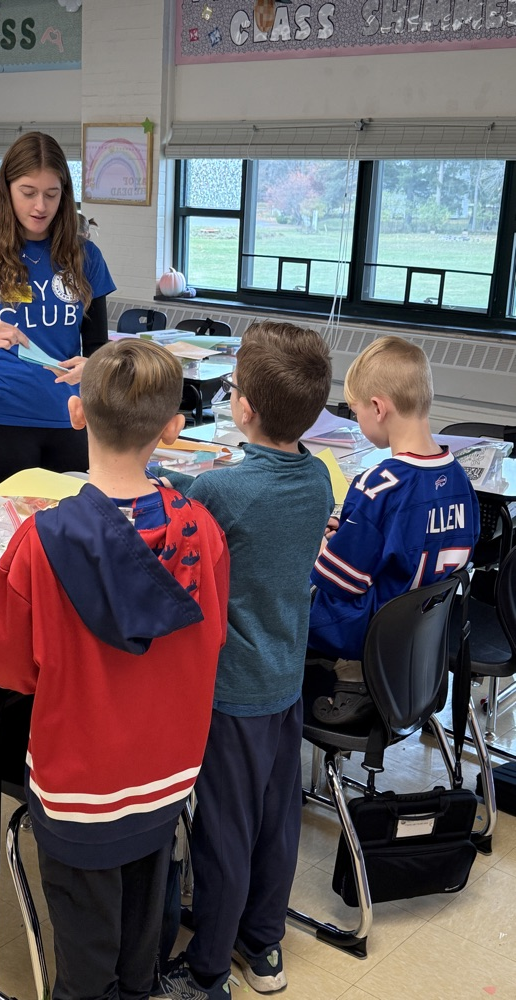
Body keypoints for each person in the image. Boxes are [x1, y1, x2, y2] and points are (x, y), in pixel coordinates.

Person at [0, 338, 230, 1000]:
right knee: (144, 936)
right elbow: (209, 642)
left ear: (75, 414)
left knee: (84, 961)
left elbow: (9, 669)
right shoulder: (203, 531)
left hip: (79, 786)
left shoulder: (38, 541)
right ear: (174, 430)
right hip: (167, 773)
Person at [155, 321, 334, 998]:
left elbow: (196, 521)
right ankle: (263, 948)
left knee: (223, 832)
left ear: (242, 407)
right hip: (285, 679)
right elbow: (241, 500)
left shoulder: (221, 494)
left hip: (231, 692)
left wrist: (159, 475)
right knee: (274, 820)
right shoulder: (317, 480)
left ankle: (206, 971)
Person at [0, 130, 116, 487]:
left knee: (69, 535)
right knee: (10, 533)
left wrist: (94, 367)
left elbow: (98, 350)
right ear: (7, 190)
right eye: (28, 193)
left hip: (72, 421)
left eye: (51, 194)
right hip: (2, 424)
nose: (40, 206)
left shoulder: (86, 258)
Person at [308, 335, 480, 724]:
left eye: (356, 414)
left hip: (368, 634)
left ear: (378, 407)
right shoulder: (460, 481)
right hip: (417, 644)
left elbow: (341, 583)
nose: (358, 422)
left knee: (295, 586)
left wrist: (321, 544)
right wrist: (350, 529)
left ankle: (348, 675)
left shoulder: (379, 483)